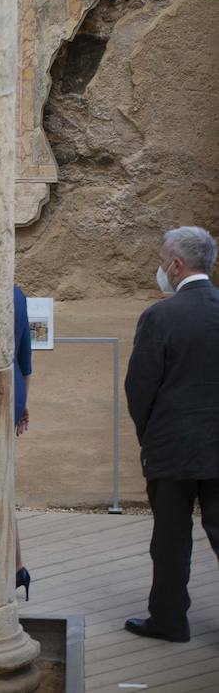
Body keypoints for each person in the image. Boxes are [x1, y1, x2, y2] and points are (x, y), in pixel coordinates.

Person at [122, 225, 219, 644]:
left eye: (163, 261)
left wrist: (149, 434)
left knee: (170, 540)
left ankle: (169, 620)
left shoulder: (160, 316)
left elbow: (140, 387)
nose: (161, 269)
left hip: (172, 446)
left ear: (176, 265)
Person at [12, 284, 32, 600]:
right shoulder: (16, 293)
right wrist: (24, 400)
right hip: (12, 390)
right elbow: (25, 357)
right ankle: (16, 569)